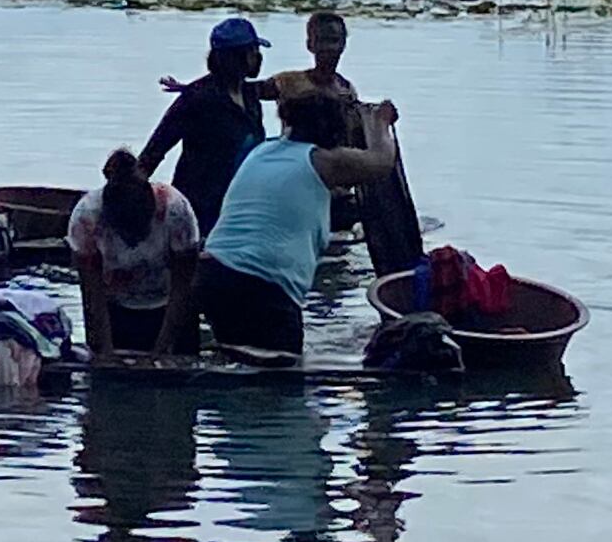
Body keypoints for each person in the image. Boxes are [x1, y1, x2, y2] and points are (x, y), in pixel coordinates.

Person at [192, 88, 395, 359]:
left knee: (237, 359)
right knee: (283, 386)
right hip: (265, 287)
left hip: (213, 275)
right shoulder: (323, 160)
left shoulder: (263, 151)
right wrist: (380, 122)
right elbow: (381, 162)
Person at [251, 8, 425, 277]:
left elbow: (356, 135)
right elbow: (242, 90)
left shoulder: (345, 89)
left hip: (337, 187)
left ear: (344, 44)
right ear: (310, 44)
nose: (330, 49)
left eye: (336, 41)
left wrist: (378, 119)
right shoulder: (289, 82)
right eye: (323, 41)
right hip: (302, 179)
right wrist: (192, 90)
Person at [67, 146, 201, 359]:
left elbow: (183, 287)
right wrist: (105, 352)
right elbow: (92, 293)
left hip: (169, 306)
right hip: (118, 309)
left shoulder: (176, 210)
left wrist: (162, 350)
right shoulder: (87, 217)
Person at [139, 18, 270, 227]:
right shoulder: (197, 99)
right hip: (198, 210)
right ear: (238, 57)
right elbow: (155, 150)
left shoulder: (250, 97)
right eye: (253, 51)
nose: (259, 58)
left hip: (239, 207)